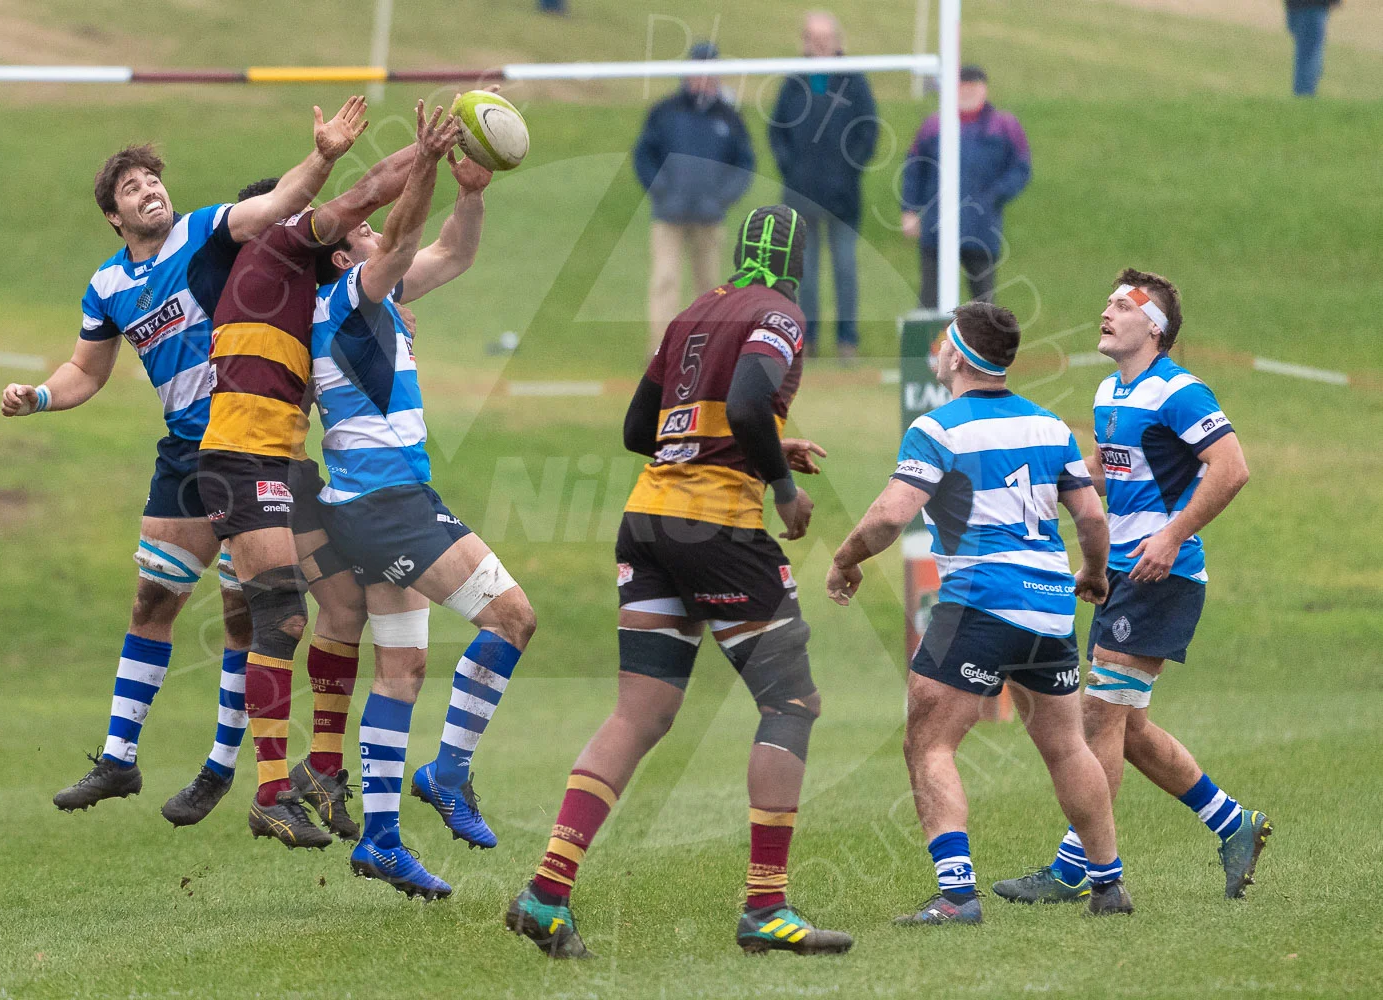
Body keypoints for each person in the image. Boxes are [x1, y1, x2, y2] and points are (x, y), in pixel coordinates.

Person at [3, 98, 370, 826]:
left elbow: (281, 202)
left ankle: (219, 769)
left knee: (245, 615)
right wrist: (39, 396)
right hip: (182, 452)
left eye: (153, 180)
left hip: (245, 444)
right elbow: (87, 370)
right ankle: (118, 759)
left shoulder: (205, 231)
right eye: (132, 187)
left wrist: (324, 156)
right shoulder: (107, 285)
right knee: (152, 600)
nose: (150, 190)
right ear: (113, 215)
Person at [505, 206, 851, 959]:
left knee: (640, 714)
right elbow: (751, 402)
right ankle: (766, 907)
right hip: (715, 527)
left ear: (737, 252)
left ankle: (547, 892)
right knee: (790, 701)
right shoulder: (780, 313)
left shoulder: (696, 311)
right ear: (796, 262)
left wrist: (741, 440)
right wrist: (782, 483)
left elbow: (641, 430)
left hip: (648, 521)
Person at [194, 101, 459, 850]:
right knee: (280, 612)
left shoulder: (318, 300)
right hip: (240, 457)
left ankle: (323, 771)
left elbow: (405, 251)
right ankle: (271, 792)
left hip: (288, 462)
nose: (316, 215)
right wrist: (429, 149)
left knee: (344, 608)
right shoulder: (276, 245)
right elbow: (370, 192)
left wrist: (458, 183)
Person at [826, 302, 1133, 922]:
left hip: (978, 604)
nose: (936, 350)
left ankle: (957, 893)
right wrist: (1095, 575)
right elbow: (1092, 518)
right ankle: (1108, 885)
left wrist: (845, 558)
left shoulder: (938, 430)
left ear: (960, 356)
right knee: (1067, 747)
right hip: (1050, 610)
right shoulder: (1050, 427)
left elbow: (890, 515)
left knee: (929, 741)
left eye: (943, 341)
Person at [995, 270, 1271, 904]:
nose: (1107, 310)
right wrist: (1042, 481)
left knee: (1098, 719)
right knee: (1130, 727)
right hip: (1122, 576)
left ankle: (1073, 871)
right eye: (1108, 301)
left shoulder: (1179, 391)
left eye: (1123, 304)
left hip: (1163, 577)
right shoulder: (1109, 391)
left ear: (1156, 327)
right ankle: (1235, 825)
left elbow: (1232, 468)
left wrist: (1172, 536)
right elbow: (1107, 469)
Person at [309, 147, 537, 900]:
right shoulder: (347, 298)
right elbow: (406, 240)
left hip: (376, 505)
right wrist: (426, 166)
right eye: (366, 231)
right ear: (345, 255)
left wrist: (469, 195)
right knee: (512, 619)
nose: (378, 234)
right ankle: (447, 773)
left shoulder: (373, 297)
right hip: (389, 505)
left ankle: (378, 841)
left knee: (401, 671)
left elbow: (451, 252)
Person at [634, 41, 755, 355]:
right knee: (665, 281)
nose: (704, 79)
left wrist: (721, 197)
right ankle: (661, 351)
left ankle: (707, 351)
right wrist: (661, 189)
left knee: (710, 288)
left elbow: (744, 162)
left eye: (711, 72)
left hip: (709, 217)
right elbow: (644, 155)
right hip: (669, 215)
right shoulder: (665, 112)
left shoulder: (729, 117)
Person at [768, 11, 877, 359]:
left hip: (843, 197)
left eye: (826, 38)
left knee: (845, 269)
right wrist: (792, 171)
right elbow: (777, 131)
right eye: (813, 38)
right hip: (801, 196)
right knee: (805, 273)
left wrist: (849, 171)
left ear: (837, 40)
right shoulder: (794, 82)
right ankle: (808, 339)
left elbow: (867, 131)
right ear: (804, 41)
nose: (820, 44)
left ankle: (847, 339)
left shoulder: (853, 82)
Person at [901, 66, 1030, 311]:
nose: (968, 91)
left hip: (981, 229)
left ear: (985, 89)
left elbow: (1021, 167)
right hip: (936, 229)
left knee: (983, 306)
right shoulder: (934, 126)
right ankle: (931, 349)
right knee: (930, 302)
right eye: (963, 85)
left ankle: (983, 349)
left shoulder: (1003, 126)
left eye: (975, 85)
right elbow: (914, 168)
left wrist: (995, 195)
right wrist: (909, 209)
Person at [1286, 0, 1340, 96]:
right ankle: (1304, 96)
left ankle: (1303, 94)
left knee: (1306, 53)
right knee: (1309, 55)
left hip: (1296, 6)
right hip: (1313, 6)